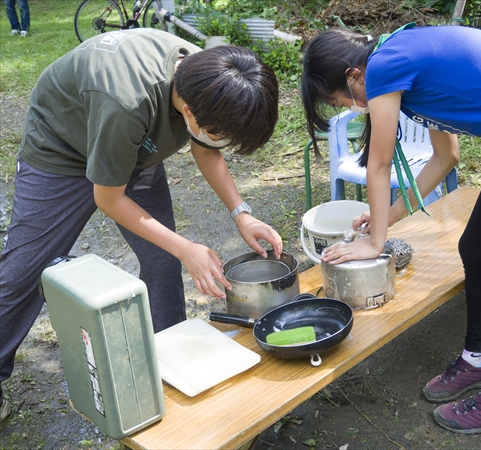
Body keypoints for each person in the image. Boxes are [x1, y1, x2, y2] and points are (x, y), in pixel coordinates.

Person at [301, 25, 481, 434]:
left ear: (353, 76)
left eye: (338, 99)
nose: (349, 107)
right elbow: (445, 157)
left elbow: (379, 166)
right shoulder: (402, 61)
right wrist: (385, 218)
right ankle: (477, 359)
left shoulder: (385, 65)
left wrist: (375, 242)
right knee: (475, 249)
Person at [0, 28, 282, 423]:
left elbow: (207, 146)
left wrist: (242, 213)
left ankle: (172, 367)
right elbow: (108, 198)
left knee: (162, 261)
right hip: (62, 149)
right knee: (22, 274)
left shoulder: (210, 76)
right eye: (219, 134)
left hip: (133, 149)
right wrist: (186, 247)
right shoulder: (126, 100)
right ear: (189, 113)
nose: (219, 141)